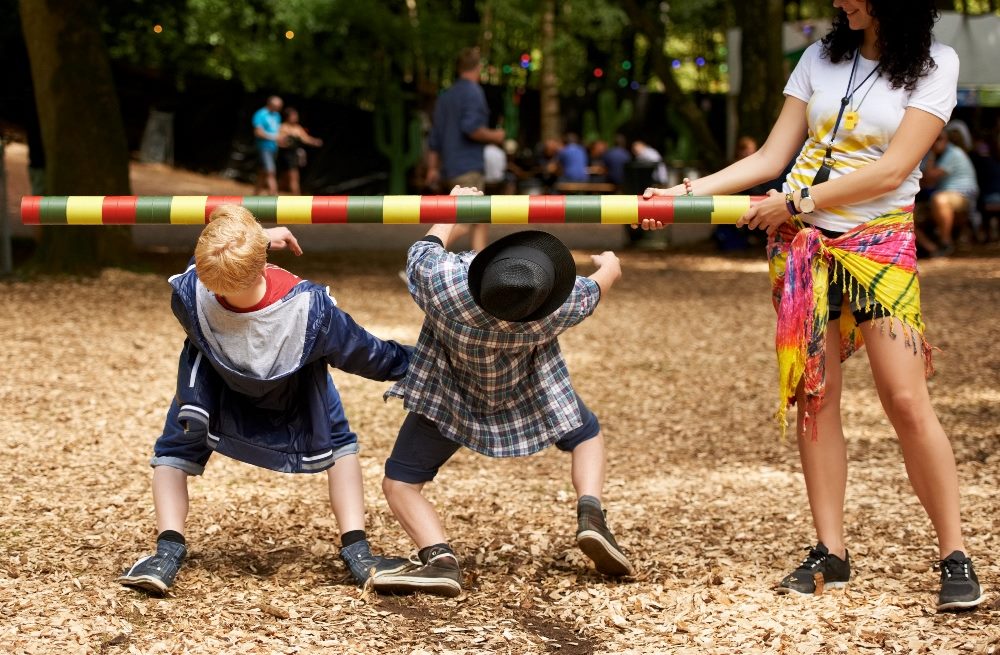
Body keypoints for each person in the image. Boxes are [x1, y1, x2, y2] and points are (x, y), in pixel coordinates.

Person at [642, 0, 983, 612]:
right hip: (802, 247)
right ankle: (832, 551)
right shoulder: (819, 59)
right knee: (816, 395)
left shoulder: (936, 64)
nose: (839, 3)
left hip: (880, 244)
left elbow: (894, 169)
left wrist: (795, 200)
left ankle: (954, 554)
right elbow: (770, 158)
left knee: (905, 399)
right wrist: (685, 193)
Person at [118, 205, 412, 595]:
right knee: (341, 447)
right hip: (294, 398)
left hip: (213, 397)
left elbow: (200, 265)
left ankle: (166, 552)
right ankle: (358, 552)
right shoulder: (311, 309)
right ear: (262, 263)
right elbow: (369, 355)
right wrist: (423, 360)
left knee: (175, 449)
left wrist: (250, 242)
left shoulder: (188, 294)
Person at [372, 186, 634, 598]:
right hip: (528, 399)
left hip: (448, 401)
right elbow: (603, 281)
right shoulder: (559, 307)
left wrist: (454, 206)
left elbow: (426, 248)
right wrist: (609, 262)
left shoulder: (444, 287)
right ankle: (591, 513)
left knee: (399, 483)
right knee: (587, 435)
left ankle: (439, 559)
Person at [425, 47, 505, 252]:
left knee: (480, 218)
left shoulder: (446, 95)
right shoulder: (473, 92)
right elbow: (471, 129)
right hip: (468, 166)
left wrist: (432, 168)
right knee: (464, 220)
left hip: (449, 167)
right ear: (478, 68)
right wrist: (496, 136)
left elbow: (435, 138)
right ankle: (422, 261)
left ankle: (480, 267)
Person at [916, 124, 979, 257]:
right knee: (908, 215)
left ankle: (945, 242)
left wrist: (932, 153)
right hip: (944, 197)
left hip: (963, 196)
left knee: (940, 199)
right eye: (933, 139)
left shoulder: (953, 153)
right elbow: (925, 182)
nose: (935, 142)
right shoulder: (932, 155)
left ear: (947, 140)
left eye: (939, 138)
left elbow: (928, 177)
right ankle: (933, 249)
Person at [277, 107, 324, 196]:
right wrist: (285, 140)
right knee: (294, 179)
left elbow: (306, 138)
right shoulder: (283, 127)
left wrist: (315, 141)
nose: (296, 117)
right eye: (293, 115)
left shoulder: (297, 128)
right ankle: (298, 200)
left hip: (293, 155)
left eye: (296, 115)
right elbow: (279, 141)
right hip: (286, 156)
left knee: (285, 179)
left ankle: (273, 197)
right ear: (287, 117)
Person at [252, 96, 282, 196]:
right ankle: (275, 198)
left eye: (280, 106)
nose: (278, 108)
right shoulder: (260, 114)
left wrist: (281, 140)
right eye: (277, 106)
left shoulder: (277, 115)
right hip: (264, 147)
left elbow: (277, 132)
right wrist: (274, 138)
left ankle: (253, 198)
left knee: (262, 174)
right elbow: (258, 132)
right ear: (270, 104)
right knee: (270, 172)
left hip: (274, 148)